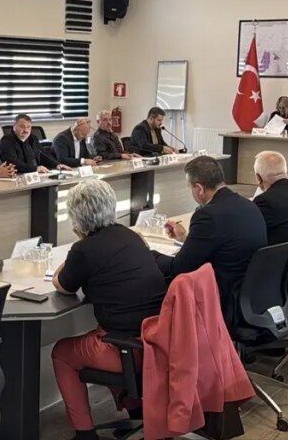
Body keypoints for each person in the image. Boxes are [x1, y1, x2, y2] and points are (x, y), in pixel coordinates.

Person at [51, 179, 166, 440]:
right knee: (106, 331)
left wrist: (73, 252)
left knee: (62, 353)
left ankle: (85, 433)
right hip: (157, 341)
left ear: (76, 217)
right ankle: (136, 411)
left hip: (126, 350)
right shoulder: (131, 236)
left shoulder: (84, 250)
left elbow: (63, 285)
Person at [151, 156, 267, 327]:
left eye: (190, 187)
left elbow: (179, 268)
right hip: (253, 293)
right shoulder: (248, 205)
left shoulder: (208, 216)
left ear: (199, 188)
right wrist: (186, 239)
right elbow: (223, 244)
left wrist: (148, 253)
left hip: (224, 298)